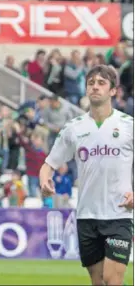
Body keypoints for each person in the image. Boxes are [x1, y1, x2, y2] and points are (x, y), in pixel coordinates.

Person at [39, 65, 134, 286]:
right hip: (87, 216)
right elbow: (48, 164)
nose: (95, 87)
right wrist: (45, 180)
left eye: (101, 83)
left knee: (113, 280)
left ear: (113, 91)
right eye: (91, 82)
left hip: (119, 214)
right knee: (98, 281)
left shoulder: (129, 126)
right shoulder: (74, 128)